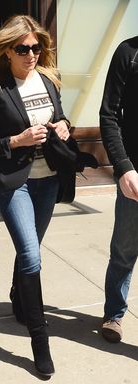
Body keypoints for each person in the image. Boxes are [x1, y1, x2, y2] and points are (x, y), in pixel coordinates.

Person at [0, 14, 72, 376]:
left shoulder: (48, 80)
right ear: (7, 52)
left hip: (49, 180)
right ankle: (40, 344)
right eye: (23, 49)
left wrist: (63, 127)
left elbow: (62, 117)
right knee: (30, 255)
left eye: (36, 47)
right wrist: (16, 140)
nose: (32, 54)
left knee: (31, 250)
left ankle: (18, 295)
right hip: (16, 182)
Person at [99, 36, 138, 343]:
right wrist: (123, 167)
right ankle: (114, 313)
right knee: (124, 251)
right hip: (135, 175)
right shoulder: (129, 52)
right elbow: (109, 114)